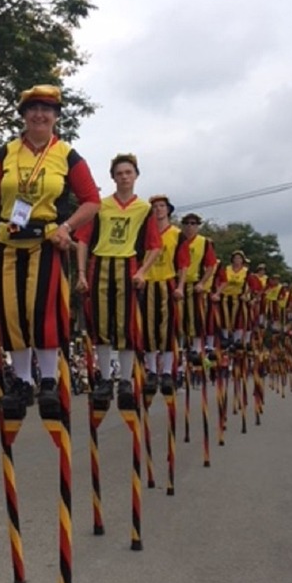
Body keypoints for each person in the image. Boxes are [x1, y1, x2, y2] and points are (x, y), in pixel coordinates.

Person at [0, 84, 100, 417]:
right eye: (33, 109)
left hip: (46, 242)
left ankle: (48, 381)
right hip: (8, 241)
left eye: (47, 110)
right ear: (24, 116)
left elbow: (91, 201)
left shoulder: (67, 155)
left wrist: (66, 228)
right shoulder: (6, 152)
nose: (40, 115)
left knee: (44, 309)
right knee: (12, 312)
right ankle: (22, 381)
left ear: (56, 117)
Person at [75, 153, 161, 411]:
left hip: (127, 266)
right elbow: (82, 240)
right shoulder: (100, 206)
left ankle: (125, 380)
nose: (124, 177)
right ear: (113, 177)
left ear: (136, 176)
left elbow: (155, 246)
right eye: (119, 173)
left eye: (128, 173)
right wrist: (80, 273)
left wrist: (143, 271)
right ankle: (104, 379)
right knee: (100, 324)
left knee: (125, 326)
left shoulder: (145, 209)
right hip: (100, 265)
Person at [140, 195, 189, 396]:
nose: (158, 210)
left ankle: (168, 371)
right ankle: (152, 370)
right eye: (155, 207)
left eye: (162, 206)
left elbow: (183, 263)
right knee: (148, 328)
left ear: (168, 210)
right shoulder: (143, 233)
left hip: (167, 283)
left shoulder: (177, 235)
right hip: (147, 283)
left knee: (168, 328)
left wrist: (180, 286)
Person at [178, 212, 217, 361]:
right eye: (187, 223)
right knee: (178, 316)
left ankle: (196, 348)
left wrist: (202, 283)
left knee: (196, 316)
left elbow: (210, 266)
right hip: (178, 282)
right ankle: (180, 345)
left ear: (198, 226)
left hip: (195, 283)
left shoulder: (204, 243)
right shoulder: (178, 239)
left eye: (193, 223)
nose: (189, 227)